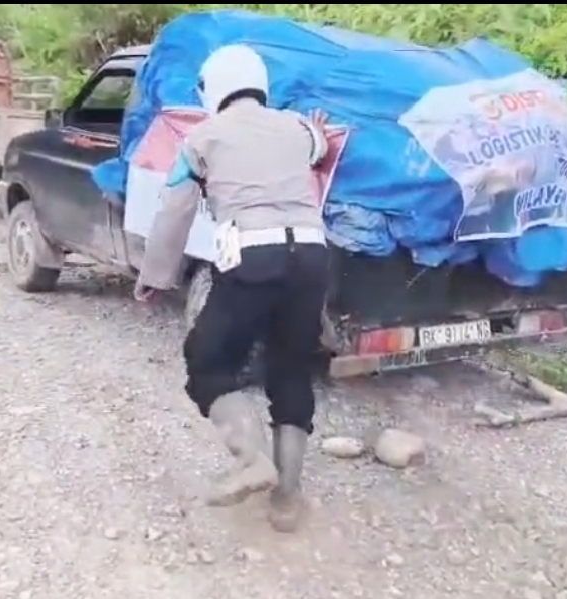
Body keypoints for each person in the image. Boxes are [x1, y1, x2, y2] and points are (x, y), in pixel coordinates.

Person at [133, 44, 331, 533]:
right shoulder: (298, 128)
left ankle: (251, 459)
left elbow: (175, 210)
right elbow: (320, 147)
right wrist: (317, 134)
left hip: (253, 256)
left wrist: (155, 276)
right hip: (312, 257)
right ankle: (287, 501)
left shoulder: (200, 139)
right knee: (291, 370)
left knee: (207, 359)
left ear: (214, 89)